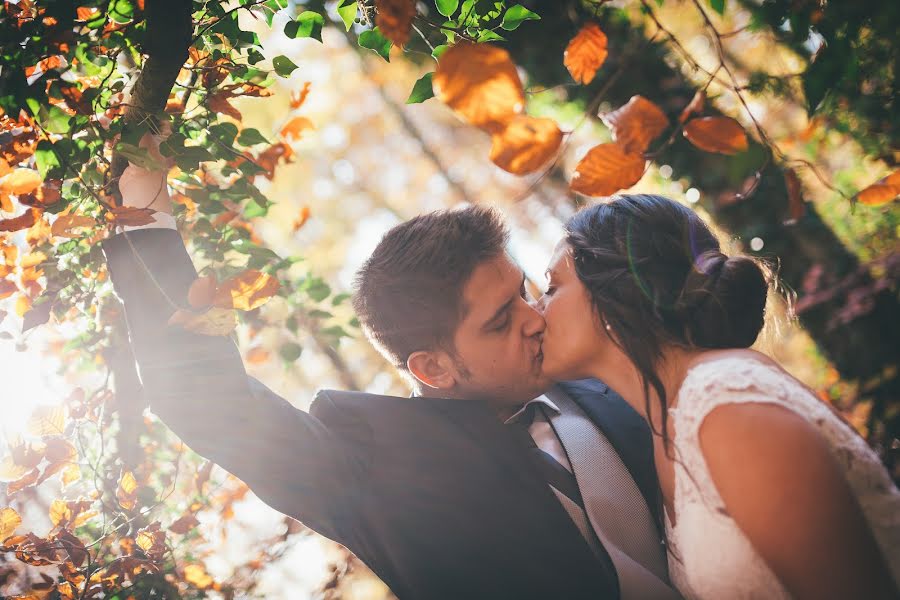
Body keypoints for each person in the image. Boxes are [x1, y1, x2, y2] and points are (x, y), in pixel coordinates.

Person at [102, 135, 681, 599]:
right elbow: (205, 402)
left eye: (525, 293)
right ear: (433, 369)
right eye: (500, 321)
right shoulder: (371, 470)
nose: (534, 319)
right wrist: (143, 218)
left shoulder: (601, 368)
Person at [537, 193, 900, 599]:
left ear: (609, 296)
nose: (536, 311)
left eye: (552, 288)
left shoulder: (729, 407)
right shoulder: (666, 426)